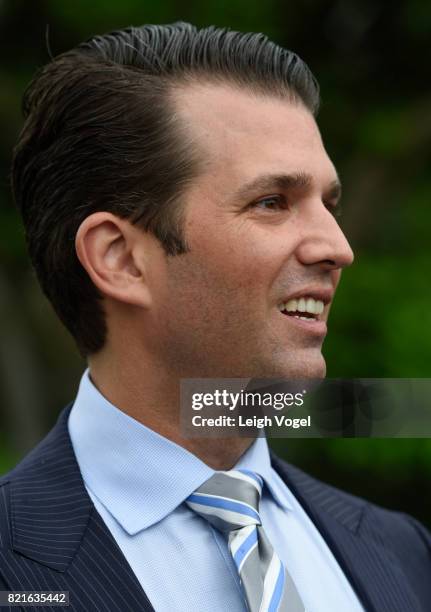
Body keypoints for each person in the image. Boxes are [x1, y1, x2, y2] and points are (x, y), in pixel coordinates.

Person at [0, 22, 429, 612]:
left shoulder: (403, 551)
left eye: (328, 204)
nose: (338, 247)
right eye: (272, 202)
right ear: (120, 259)